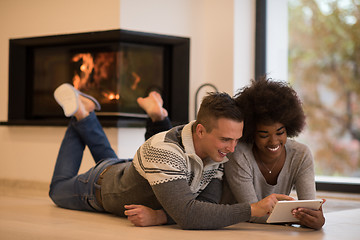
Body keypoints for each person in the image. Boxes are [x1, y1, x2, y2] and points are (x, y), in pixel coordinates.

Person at [49, 83, 293, 230]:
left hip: (129, 174)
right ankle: (80, 115)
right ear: (200, 130)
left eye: (236, 139)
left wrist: (159, 216)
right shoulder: (164, 151)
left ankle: (86, 114)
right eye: (226, 140)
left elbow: (206, 205)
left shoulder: (216, 152)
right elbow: (189, 215)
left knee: (116, 166)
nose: (232, 148)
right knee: (57, 190)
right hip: (98, 187)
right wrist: (252, 209)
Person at [223, 77, 325, 230]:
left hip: (274, 232)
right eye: (264, 135)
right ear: (251, 133)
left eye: (280, 133)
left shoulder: (301, 155)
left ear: (289, 128)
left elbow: (309, 207)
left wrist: (316, 219)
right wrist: (298, 217)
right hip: (233, 230)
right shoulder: (238, 154)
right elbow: (252, 212)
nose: (273, 141)